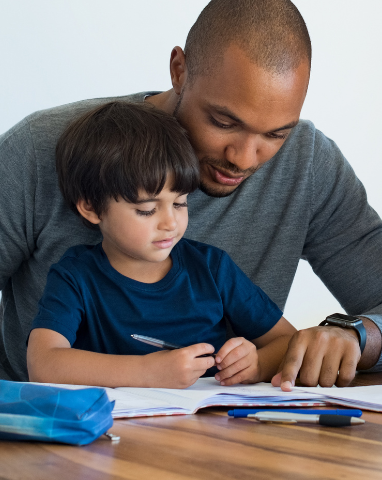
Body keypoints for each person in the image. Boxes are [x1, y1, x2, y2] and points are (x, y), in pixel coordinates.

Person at [0, 0, 382, 388]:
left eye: (275, 134)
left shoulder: (308, 164)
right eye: (224, 122)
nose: (245, 158)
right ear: (179, 69)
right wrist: (20, 413)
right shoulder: (40, 152)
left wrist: (356, 336)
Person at [27, 102, 296, 389]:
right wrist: (147, 372)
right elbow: (44, 364)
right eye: (147, 209)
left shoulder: (211, 268)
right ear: (92, 208)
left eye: (180, 203)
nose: (170, 223)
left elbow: (289, 341)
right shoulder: (75, 276)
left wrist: (257, 364)